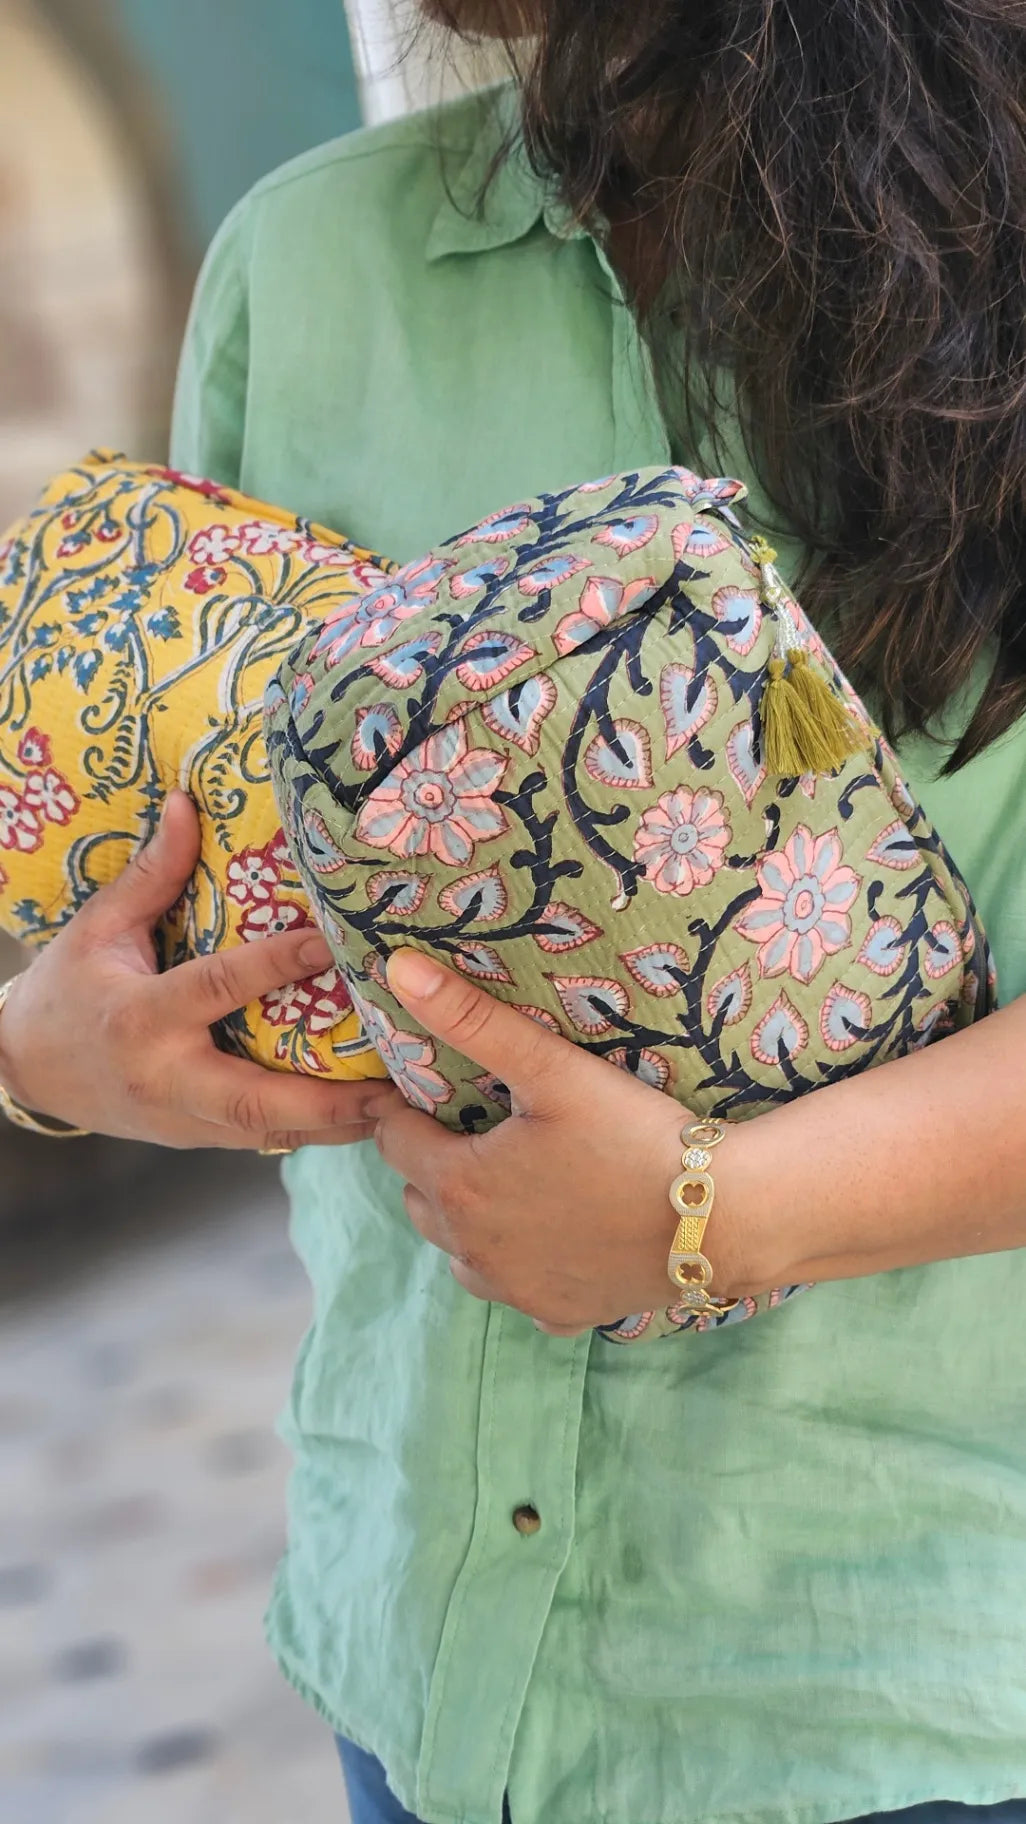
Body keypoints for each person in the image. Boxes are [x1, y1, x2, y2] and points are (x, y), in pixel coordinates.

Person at [1, 3, 1025, 1820]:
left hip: (910, 1693)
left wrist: (721, 1213)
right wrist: (56, 1053)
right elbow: (190, 859)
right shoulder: (312, 265)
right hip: (430, 1665)